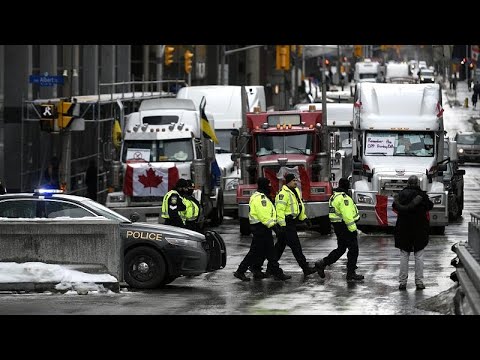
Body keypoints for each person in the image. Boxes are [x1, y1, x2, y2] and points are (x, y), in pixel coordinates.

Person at [233, 177, 290, 282]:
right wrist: (275, 228)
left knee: (260, 252)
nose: (270, 186)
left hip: (261, 228)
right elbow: (264, 216)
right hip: (261, 228)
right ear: (264, 185)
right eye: (268, 185)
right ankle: (242, 271)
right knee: (267, 252)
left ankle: (255, 270)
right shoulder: (261, 199)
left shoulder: (260, 196)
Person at [263, 173, 317, 277]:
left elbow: (299, 207)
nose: (296, 182)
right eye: (293, 181)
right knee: (296, 247)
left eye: (296, 180)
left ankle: (270, 269)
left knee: (279, 248)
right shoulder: (283, 194)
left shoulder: (295, 191)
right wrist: (282, 226)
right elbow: (280, 212)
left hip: (291, 223)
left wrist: (304, 218)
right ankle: (305, 268)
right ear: (288, 182)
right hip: (286, 225)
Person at [315, 178, 364, 282]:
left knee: (341, 249)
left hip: (338, 226)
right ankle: (350, 273)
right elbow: (347, 216)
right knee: (353, 250)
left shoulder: (334, 196)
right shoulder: (343, 198)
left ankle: (323, 263)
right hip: (345, 226)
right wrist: (353, 229)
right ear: (347, 186)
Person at [392, 175, 433, 290]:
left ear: (408, 183)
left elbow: (394, 206)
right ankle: (419, 282)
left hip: (403, 228)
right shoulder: (422, 195)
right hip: (419, 228)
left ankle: (402, 282)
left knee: (404, 255)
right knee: (419, 255)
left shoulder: (400, 194)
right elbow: (430, 206)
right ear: (417, 183)